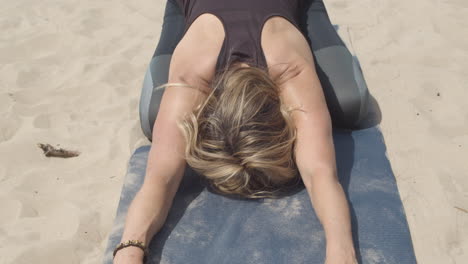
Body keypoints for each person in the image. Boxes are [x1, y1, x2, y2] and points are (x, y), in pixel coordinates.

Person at [113, 0, 359, 263]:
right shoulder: (192, 75)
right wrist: (129, 250)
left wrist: (341, 251)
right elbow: (160, 177)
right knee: (155, 116)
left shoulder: (288, 67)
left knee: (349, 103)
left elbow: (319, 172)